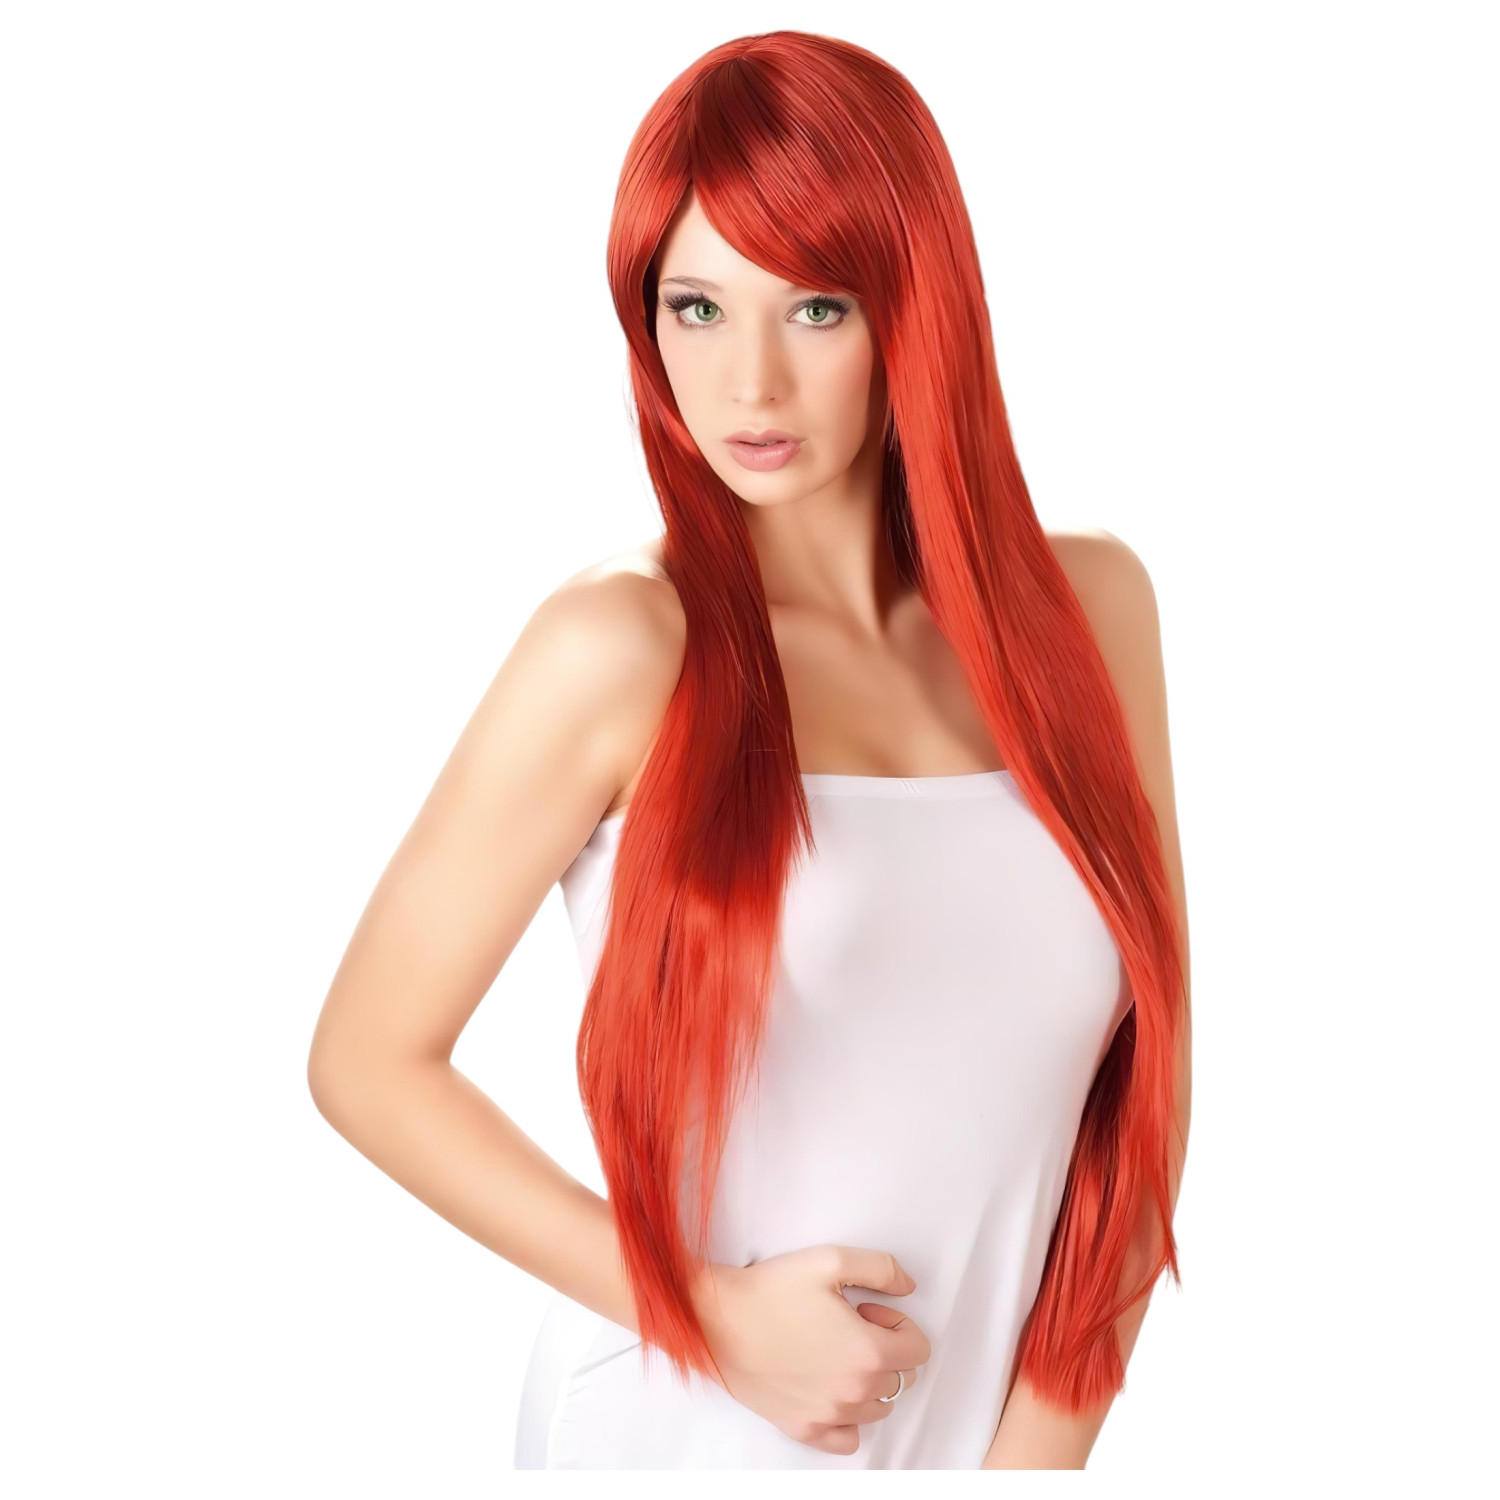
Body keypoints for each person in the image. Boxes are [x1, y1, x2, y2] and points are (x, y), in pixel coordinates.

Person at [307, 29, 1191, 1471]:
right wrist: (710, 1319)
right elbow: (367, 1061)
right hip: (680, 1434)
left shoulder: (1090, 612)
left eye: (817, 307)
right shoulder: (622, 647)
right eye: (698, 307)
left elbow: (1149, 1090)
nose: (750, 384)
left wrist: (1033, 1464)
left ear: (916, 307)